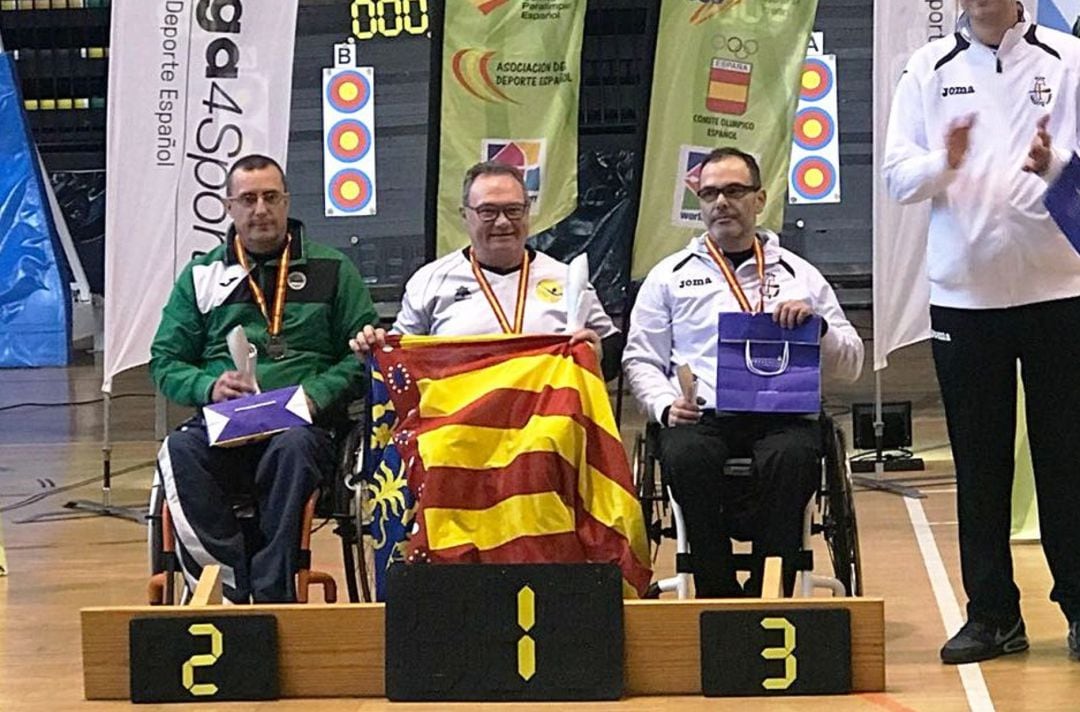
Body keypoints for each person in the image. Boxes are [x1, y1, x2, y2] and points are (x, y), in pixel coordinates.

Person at [884, 0, 1080, 664]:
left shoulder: (1068, 58)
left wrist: (1054, 166)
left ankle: (1079, 608)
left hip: (1061, 292)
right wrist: (946, 159)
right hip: (964, 300)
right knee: (980, 462)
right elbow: (897, 178)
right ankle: (994, 616)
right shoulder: (925, 68)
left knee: (1068, 459)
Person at [622, 147, 863, 598]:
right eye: (709, 192)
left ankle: (768, 593)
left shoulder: (801, 275)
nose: (721, 202)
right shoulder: (668, 277)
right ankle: (717, 595)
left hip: (782, 416)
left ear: (760, 199)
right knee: (686, 456)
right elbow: (640, 359)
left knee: (792, 459)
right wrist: (662, 405)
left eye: (734, 190)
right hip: (703, 417)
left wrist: (819, 327)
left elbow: (851, 363)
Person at [150, 154, 378, 603]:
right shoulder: (201, 276)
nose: (260, 209)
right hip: (225, 425)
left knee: (292, 448)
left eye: (270, 197)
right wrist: (208, 388)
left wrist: (314, 395)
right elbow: (165, 360)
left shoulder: (333, 270)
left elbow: (363, 357)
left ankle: (274, 594)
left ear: (287, 201)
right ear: (229, 207)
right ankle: (225, 586)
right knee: (178, 450)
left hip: (302, 427)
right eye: (248, 199)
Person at [350, 161, 618, 373]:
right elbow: (400, 359)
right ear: (465, 215)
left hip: (548, 430)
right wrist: (374, 349)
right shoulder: (430, 281)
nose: (502, 222)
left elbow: (611, 348)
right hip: (459, 431)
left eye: (513, 210)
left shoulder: (566, 278)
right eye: (488, 211)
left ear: (527, 212)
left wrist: (598, 355)